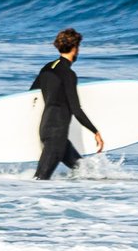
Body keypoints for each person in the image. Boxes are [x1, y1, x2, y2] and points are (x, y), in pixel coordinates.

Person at [30, 26, 102, 180]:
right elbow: (76, 109)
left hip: (46, 130)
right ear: (75, 48)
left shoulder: (47, 68)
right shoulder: (68, 74)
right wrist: (95, 132)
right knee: (40, 179)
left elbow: (30, 95)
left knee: (86, 173)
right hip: (57, 135)